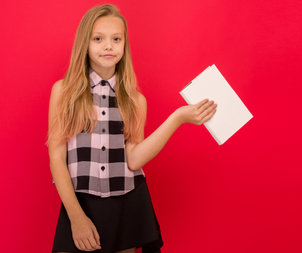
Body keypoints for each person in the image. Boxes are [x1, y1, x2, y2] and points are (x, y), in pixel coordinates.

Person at [46, 4, 217, 253]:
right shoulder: (64, 92)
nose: (108, 46)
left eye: (116, 39)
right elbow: (56, 157)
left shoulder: (135, 101)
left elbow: (134, 159)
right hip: (80, 203)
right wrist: (76, 217)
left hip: (127, 205)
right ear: (85, 43)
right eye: (98, 38)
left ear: (125, 44)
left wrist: (177, 118)